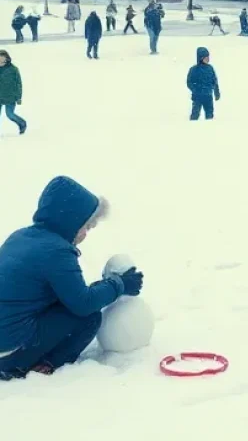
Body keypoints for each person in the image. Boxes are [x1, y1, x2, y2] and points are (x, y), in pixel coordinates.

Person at [0, 177, 143, 380]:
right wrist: (120, 284)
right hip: (9, 352)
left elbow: (68, 295)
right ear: (70, 221)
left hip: (5, 333)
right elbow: (83, 304)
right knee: (89, 317)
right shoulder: (56, 251)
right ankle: (44, 365)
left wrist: (106, 287)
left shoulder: (21, 236)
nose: (86, 233)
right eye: (86, 226)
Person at [187, 47, 220, 120]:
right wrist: (195, 89)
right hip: (197, 97)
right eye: (206, 57)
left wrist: (216, 92)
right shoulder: (194, 69)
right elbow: (189, 82)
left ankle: (209, 129)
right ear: (200, 58)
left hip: (208, 96)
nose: (208, 59)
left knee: (209, 114)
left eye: (208, 57)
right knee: (195, 114)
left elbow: (214, 81)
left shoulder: (210, 68)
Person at [0, 50, 26, 136]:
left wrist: (19, 97)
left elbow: (18, 84)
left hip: (10, 97)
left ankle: (22, 124)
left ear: (6, 58)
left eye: (2, 57)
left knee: (10, 114)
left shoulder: (13, 69)